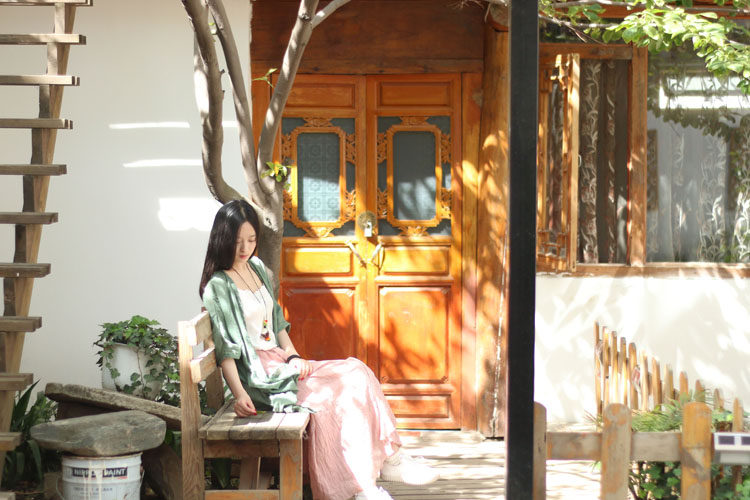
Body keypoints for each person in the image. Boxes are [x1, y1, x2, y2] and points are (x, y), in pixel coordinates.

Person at [199, 199, 438, 500]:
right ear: (222, 239)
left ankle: (391, 458)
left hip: (281, 361)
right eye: (237, 241)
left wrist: (294, 356)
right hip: (260, 375)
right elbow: (226, 349)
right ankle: (359, 488)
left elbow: (277, 323)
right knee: (328, 402)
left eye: (251, 239)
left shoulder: (256, 267)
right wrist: (240, 394)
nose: (245, 248)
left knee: (357, 371)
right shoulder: (218, 287)